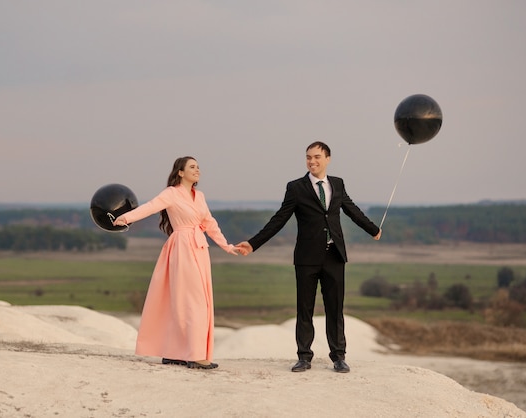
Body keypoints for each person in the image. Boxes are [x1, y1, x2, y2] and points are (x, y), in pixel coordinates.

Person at [237, 141, 381, 373]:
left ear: (327, 159)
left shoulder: (338, 184)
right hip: (306, 258)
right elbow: (279, 219)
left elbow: (351, 209)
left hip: (334, 256)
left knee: (335, 309)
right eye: (308, 157)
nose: (312, 161)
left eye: (316, 157)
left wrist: (373, 229)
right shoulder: (295, 188)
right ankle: (304, 357)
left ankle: (339, 357)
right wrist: (253, 244)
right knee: (305, 308)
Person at [113, 156, 242, 370]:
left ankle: (175, 352)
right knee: (192, 301)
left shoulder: (199, 196)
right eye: (192, 167)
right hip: (182, 247)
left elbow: (210, 223)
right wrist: (126, 218)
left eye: (199, 167)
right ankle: (195, 354)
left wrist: (227, 246)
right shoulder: (171, 193)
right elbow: (150, 207)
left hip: (200, 249)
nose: (197, 170)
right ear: (180, 172)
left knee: (190, 300)